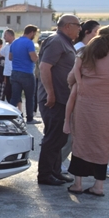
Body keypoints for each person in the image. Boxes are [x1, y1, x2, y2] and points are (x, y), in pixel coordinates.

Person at [63, 26, 109, 196]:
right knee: (102, 145)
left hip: (84, 106)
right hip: (106, 108)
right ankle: (99, 185)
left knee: (81, 142)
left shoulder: (86, 54)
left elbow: (71, 77)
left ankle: (78, 183)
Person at [35, 15, 81, 186]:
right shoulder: (56, 41)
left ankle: (55, 171)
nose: (80, 29)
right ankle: (45, 175)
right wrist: (50, 93)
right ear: (68, 26)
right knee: (53, 137)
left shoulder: (66, 41)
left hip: (63, 98)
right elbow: (44, 67)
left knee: (60, 138)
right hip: (54, 99)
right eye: (78, 25)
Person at [9, 25, 40, 123]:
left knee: (15, 97)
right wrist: (38, 57)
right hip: (27, 73)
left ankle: (8, 115)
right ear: (31, 32)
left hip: (15, 73)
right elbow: (33, 58)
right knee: (29, 97)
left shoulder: (15, 42)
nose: (34, 36)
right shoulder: (29, 43)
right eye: (34, 34)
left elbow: (10, 57)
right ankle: (30, 118)